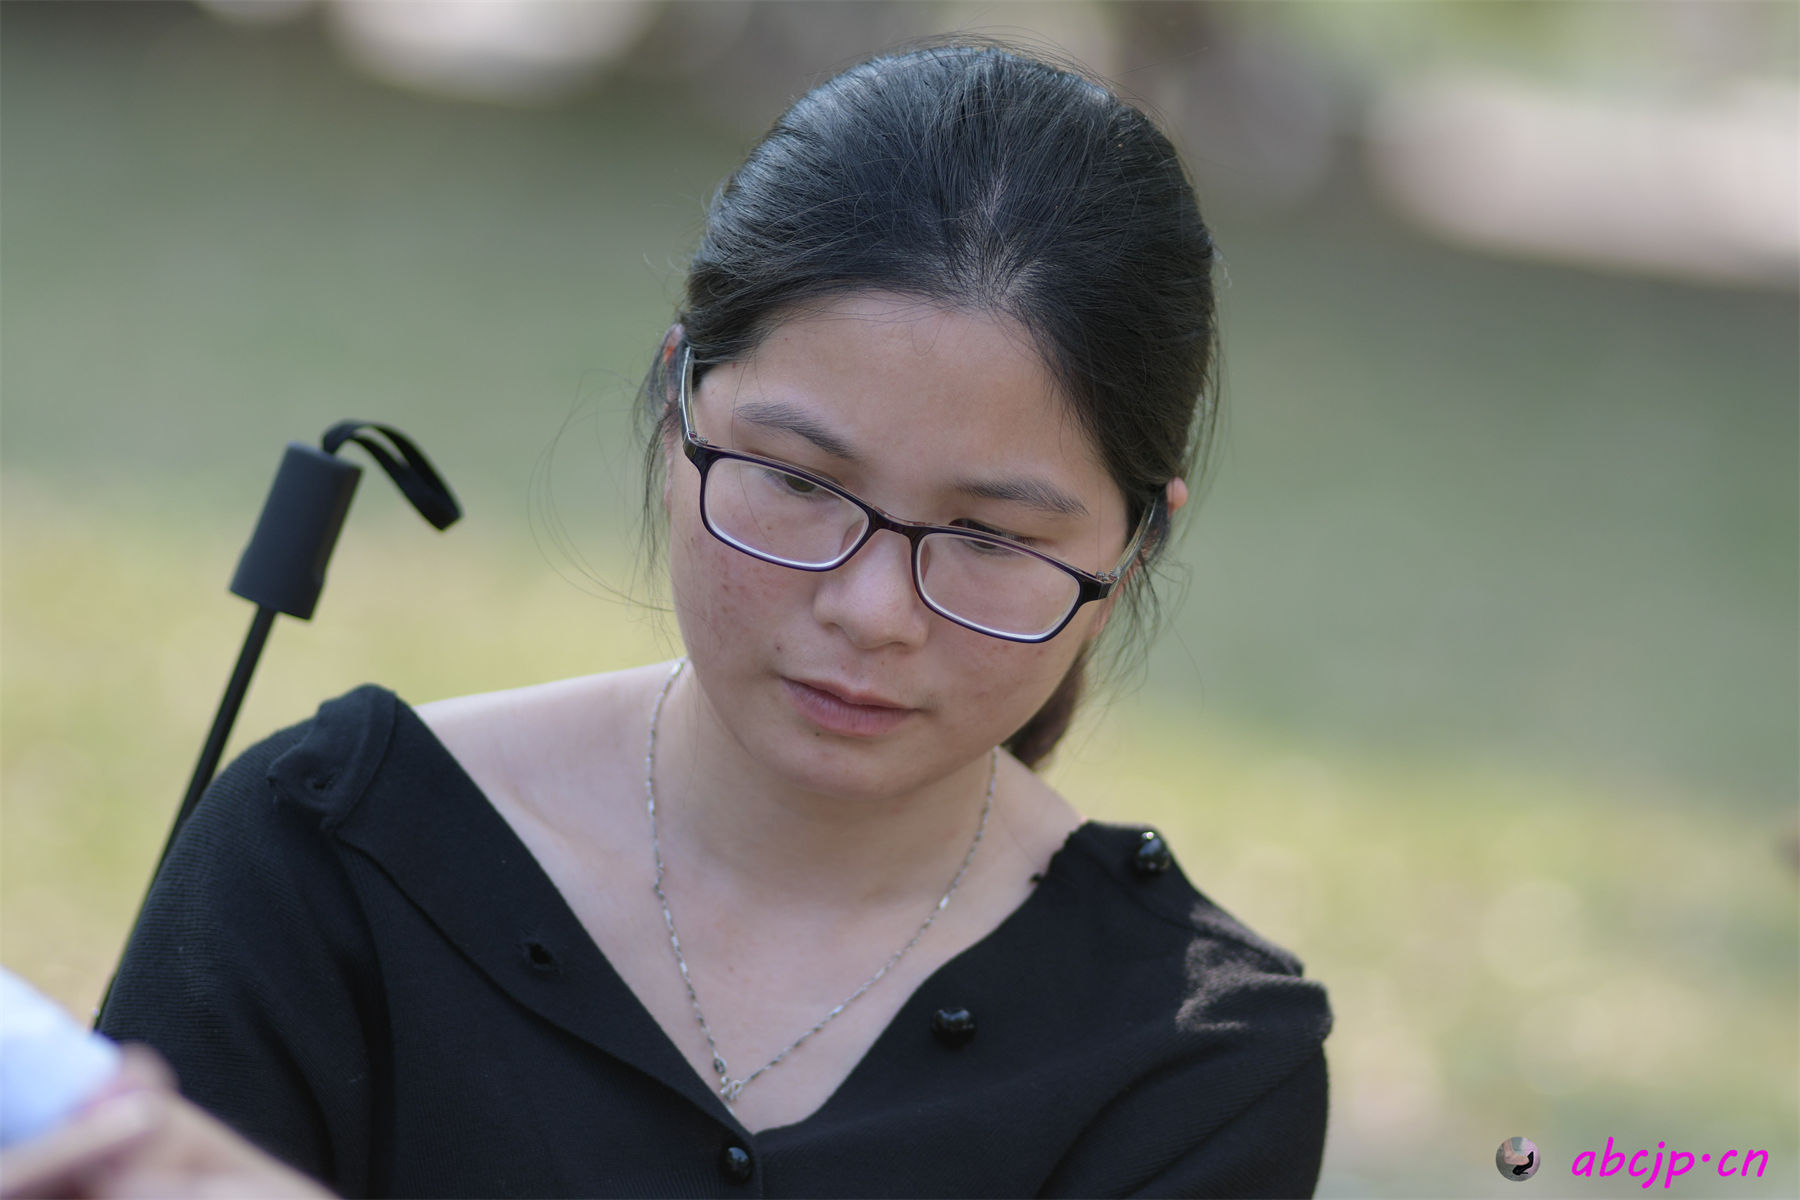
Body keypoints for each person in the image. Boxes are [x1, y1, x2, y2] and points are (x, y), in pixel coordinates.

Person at [98, 40, 1333, 1198]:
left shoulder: (1197, 1067)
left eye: (993, 539)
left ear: (1135, 544)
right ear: (677, 399)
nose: (871, 611)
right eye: (797, 481)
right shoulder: (326, 862)